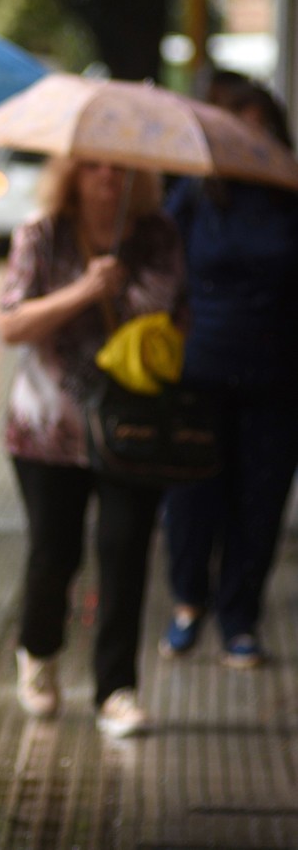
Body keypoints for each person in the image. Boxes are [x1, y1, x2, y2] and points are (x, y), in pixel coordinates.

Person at [0, 156, 183, 738]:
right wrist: (84, 289)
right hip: (47, 426)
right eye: (94, 167)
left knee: (125, 551)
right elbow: (10, 324)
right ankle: (40, 650)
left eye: (121, 169)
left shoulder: (156, 236)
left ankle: (116, 690)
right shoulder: (41, 232)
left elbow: (167, 312)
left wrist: (117, 287)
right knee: (55, 554)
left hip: (133, 426)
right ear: (71, 173)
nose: (108, 178)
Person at [159, 78, 298, 669]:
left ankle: (240, 617)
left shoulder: (291, 196)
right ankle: (188, 601)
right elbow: (163, 267)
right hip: (200, 371)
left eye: (259, 125)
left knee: (260, 500)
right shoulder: (192, 196)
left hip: (279, 375)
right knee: (192, 495)